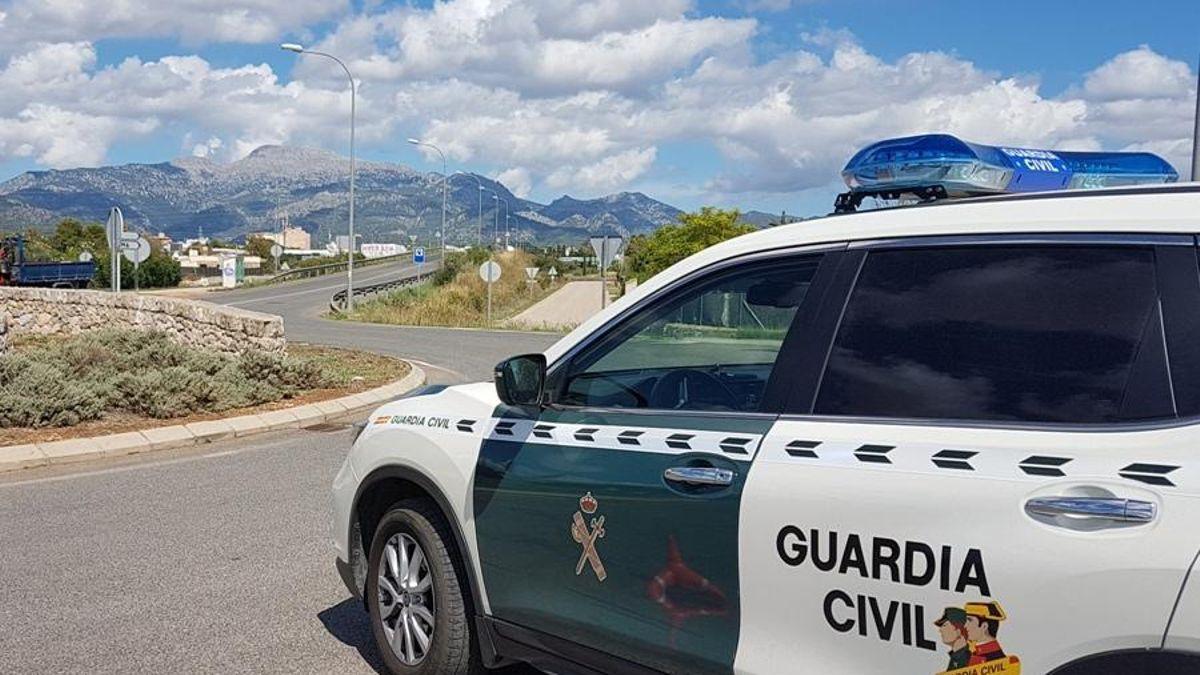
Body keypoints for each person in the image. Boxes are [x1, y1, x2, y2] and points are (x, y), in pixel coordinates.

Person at [934, 607, 972, 671]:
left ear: (958, 630)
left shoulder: (965, 660)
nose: (940, 630)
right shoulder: (956, 657)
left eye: (944, 625)